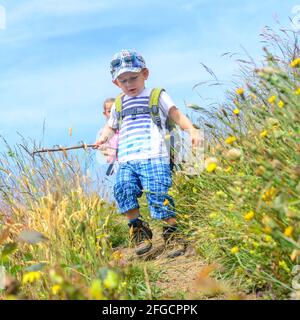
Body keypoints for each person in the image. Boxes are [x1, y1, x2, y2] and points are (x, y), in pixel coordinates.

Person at [95, 49, 201, 258]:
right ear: (116, 83)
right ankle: (138, 229)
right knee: (123, 189)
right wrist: (103, 138)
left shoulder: (156, 95)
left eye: (133, 78)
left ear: (145, 74)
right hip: (126, 159)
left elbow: (175, 114)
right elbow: (111, 127)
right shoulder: (118, 103)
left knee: (159, 194)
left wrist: (192, 130)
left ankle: (172, 233)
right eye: (123, 80)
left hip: (154, 155)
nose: (129, 84)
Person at [97, 98, 119, 175]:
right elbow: (102, 147)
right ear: (105, 113)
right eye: (109, 111)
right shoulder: (103, 132)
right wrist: (105, 150)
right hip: (115, 161)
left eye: (115, 111)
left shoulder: (123, 127)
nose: (112, 113)